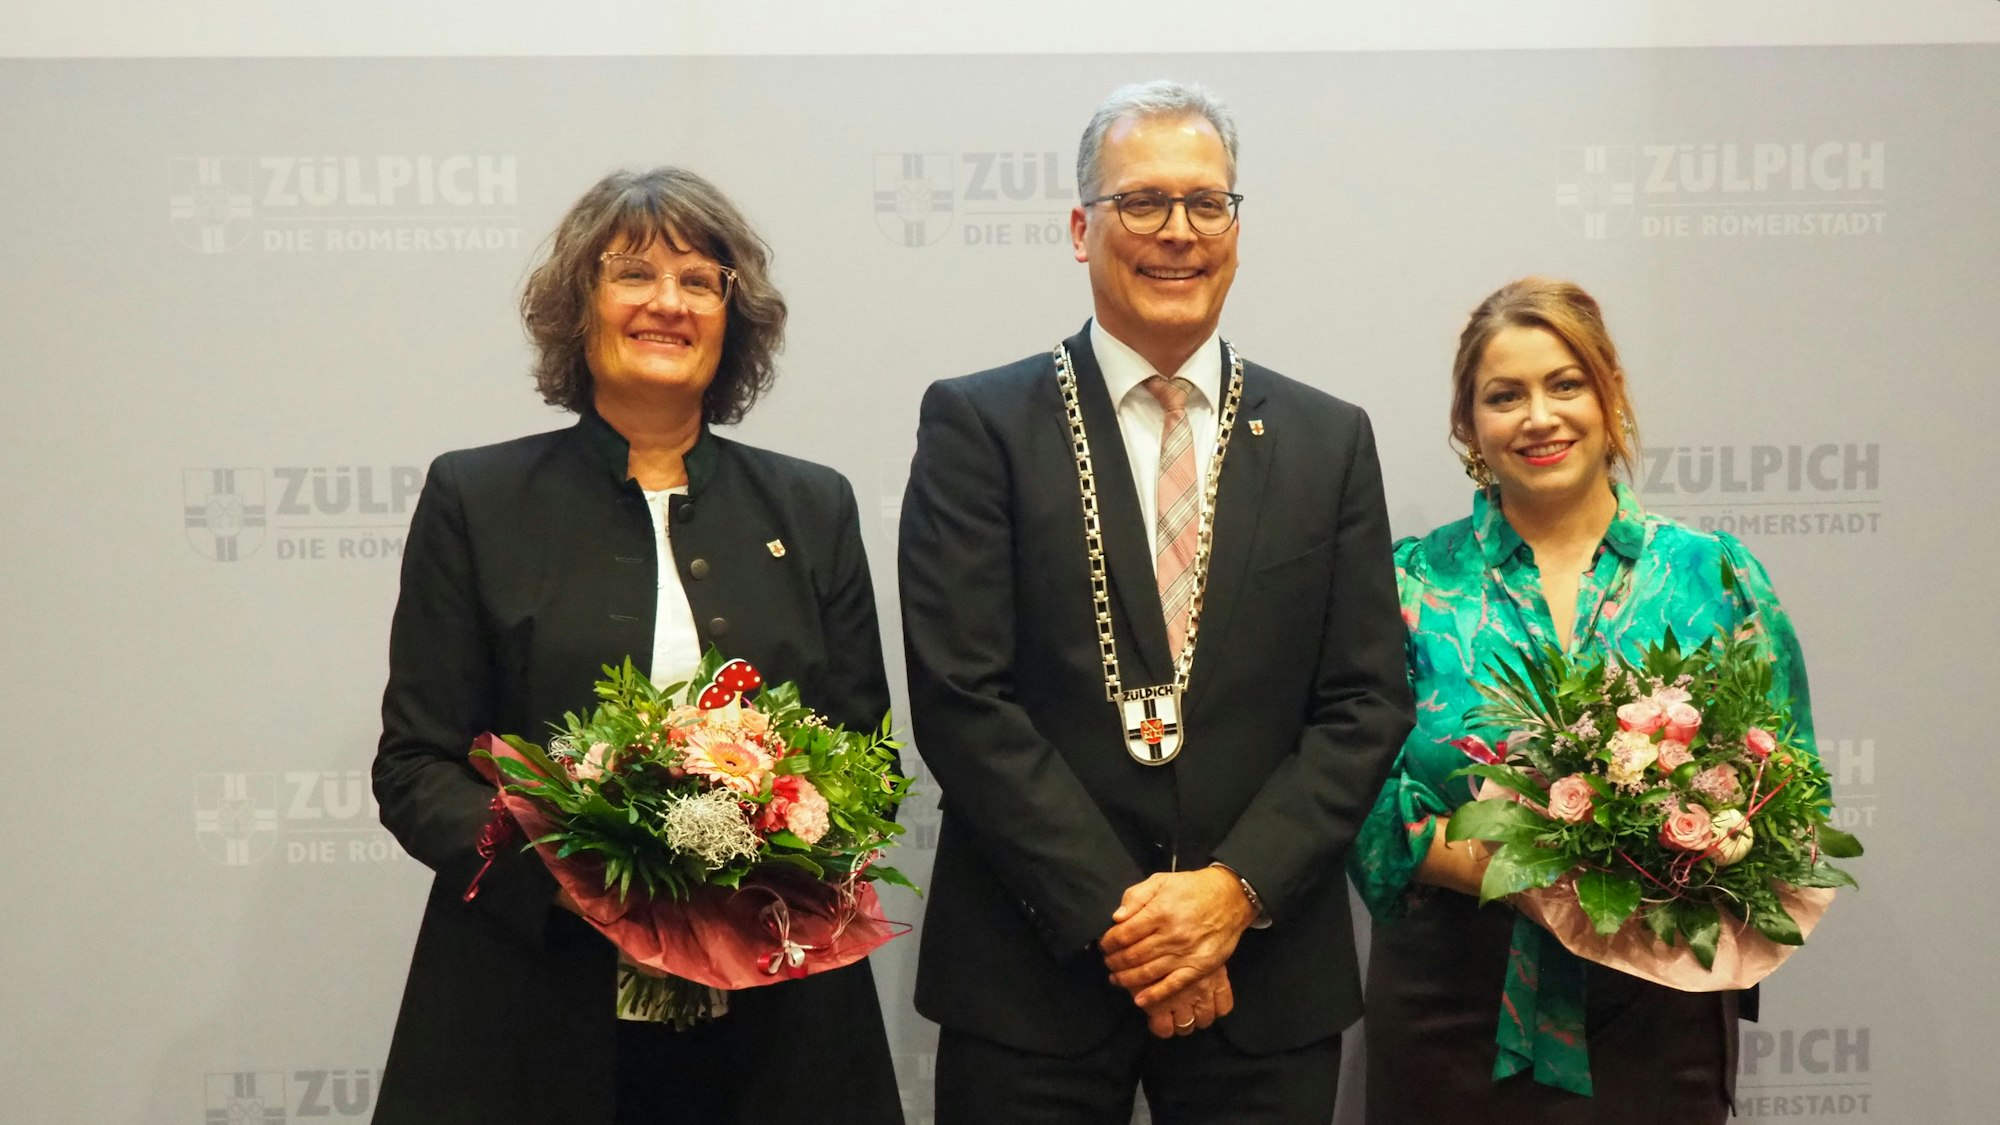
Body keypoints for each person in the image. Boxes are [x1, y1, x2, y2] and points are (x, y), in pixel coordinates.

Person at [898, 80, 1413, 1125]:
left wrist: (1229, 895)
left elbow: (1365, 702)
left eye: (1204, 203)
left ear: (1235, 226)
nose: (1175, 232)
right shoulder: (979, 425)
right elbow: (963, 696)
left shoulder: (1327, 440)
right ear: (1081, 228)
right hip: (1030, 976)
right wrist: (1134, 926)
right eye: (1141, 203)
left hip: (1261, 973)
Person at [370, 167, 904, 1125]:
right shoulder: (477, 501)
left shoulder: (812, 505)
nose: (669, 302)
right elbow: (415, 767)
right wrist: (576, 880)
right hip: (532, 1008)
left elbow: (866, 753)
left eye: (701, 281)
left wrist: (780, 844)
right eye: (634, 274)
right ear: (580, 306)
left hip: (780, 1023)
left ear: (732, 320)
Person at [1349, 277, 1818, 1123]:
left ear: (1609, 396)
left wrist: (1671, 854)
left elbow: (1788, 785)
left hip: (1661, 1002)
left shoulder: (1711, 577)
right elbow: (1357, 797)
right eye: (1505, 395)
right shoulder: (1412, 585)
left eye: (1565, 383)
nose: (1539, 416)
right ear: (1469, 425)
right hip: (1454, 1005)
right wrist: (1529, 874)